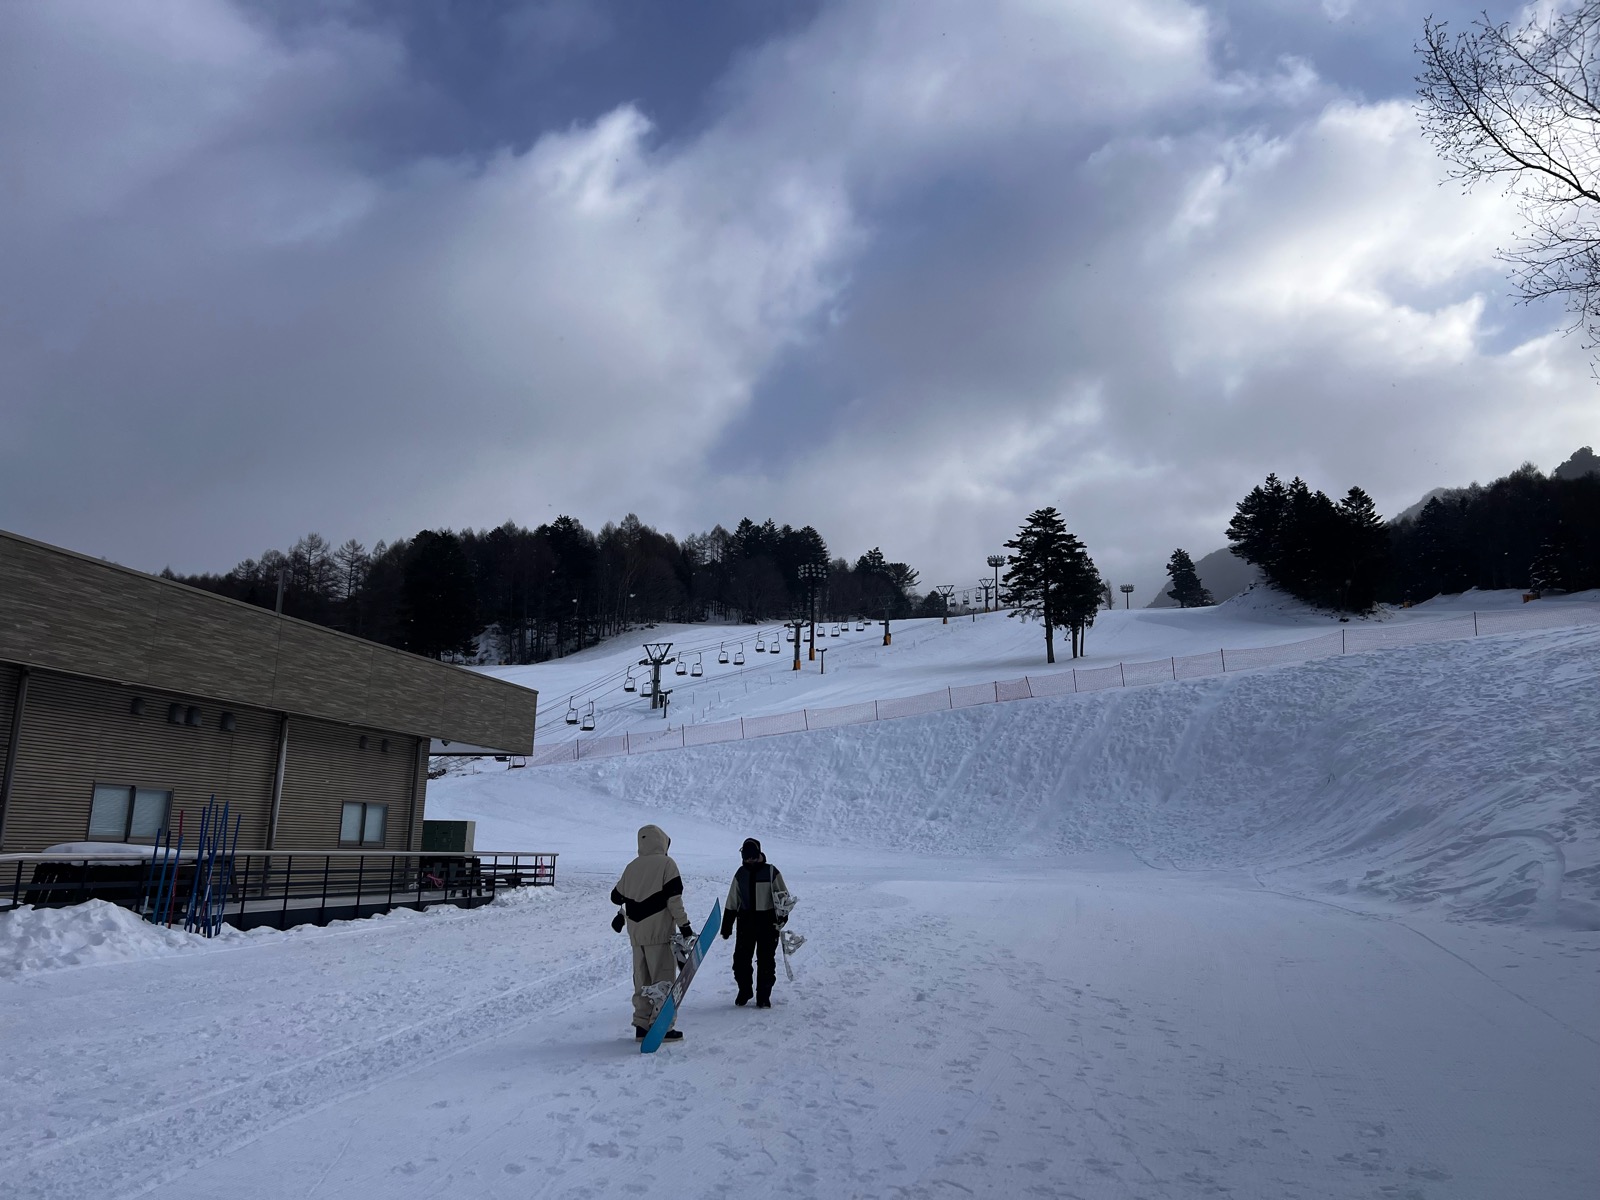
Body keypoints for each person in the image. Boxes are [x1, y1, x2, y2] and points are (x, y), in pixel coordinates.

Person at [611, 823, 695, 1040]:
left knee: (642, 981)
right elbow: (674, 900)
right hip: (659, 935)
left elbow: (615, 896)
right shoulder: (667, 864)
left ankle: (641, 1025)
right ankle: (662, 1027)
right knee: (663, 979)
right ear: (662, 841)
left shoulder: (631, 866)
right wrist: (685, 927)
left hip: (636, 937)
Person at [719, 837, 787, 1008]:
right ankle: (745, 990)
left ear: (759, 854)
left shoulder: (771, 872)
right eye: (746, 856)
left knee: (766, 962)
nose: (749, 859)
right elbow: (732, 900)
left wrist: (782, 915)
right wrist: (727, 925)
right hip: (745, 923)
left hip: (768, 924)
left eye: (752, 855)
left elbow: (783, 897)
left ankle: (763, 996)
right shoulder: (740, 874)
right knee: (740, 961)